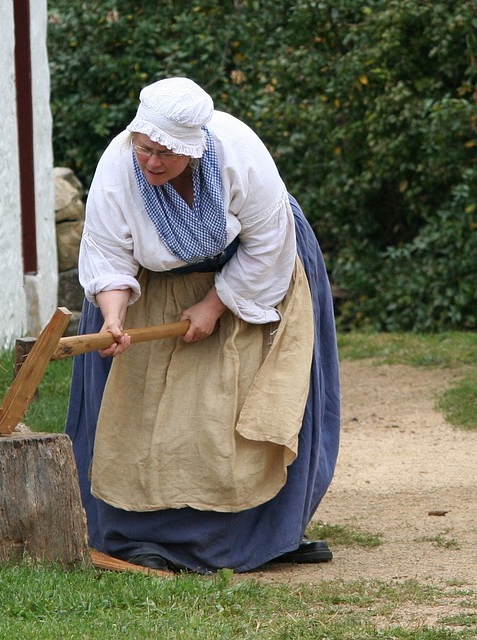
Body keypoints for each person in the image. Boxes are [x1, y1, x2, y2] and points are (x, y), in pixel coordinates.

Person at [65, 77, 340, 573]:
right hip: (148, 285)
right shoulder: (117, 166)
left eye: (165, 154)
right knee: (144, 411)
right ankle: (138, 536)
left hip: (256, 274)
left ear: (194, 150)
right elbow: (106, 251)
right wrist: (111, 318)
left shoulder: (240, 156)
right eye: (144, 148)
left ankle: (268, 535)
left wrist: (215, 304)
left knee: (241, 407)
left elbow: (268, 246)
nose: (151, 161)